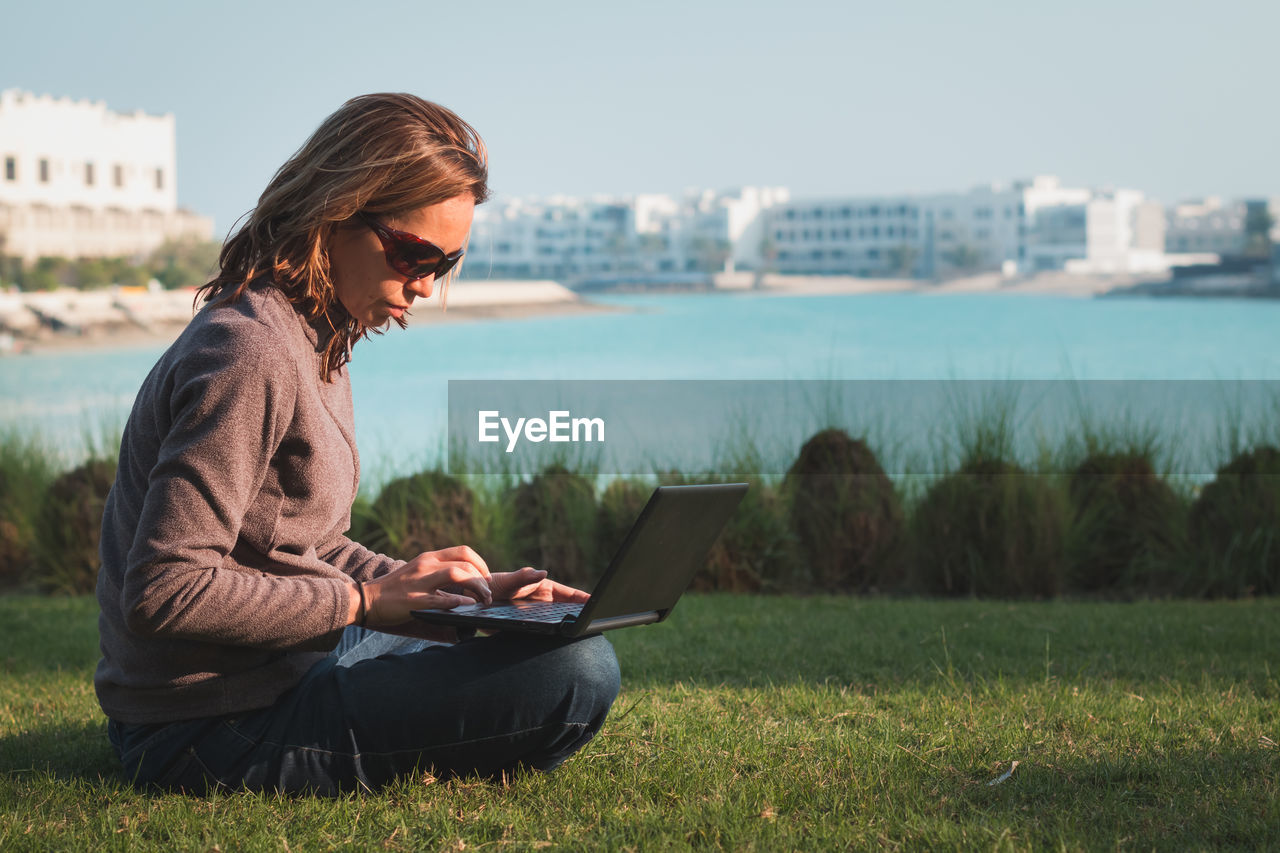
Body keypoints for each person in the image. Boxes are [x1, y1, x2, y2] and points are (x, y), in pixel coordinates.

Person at [94, 93, 620, 795]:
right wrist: (364, 603)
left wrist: (459, 596)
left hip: (284, 663)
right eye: (413, 254)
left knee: (550, 642)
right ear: (336, 211)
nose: (425, 286)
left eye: (447, 262)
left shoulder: (317, 335)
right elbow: (163, 591)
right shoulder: (250, 352)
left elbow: (298, 547)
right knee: (576, 672)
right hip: (204, 725)